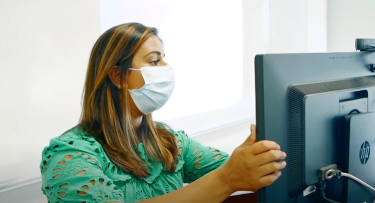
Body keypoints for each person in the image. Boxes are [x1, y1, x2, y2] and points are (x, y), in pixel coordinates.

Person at [40, 22, 287, 203]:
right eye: (155, 61)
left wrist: (252, 158)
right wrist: (226, 180)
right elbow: (226, 177)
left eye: (164, 59)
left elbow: (231, 169)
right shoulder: (70, 155)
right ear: (118, 76)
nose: (167, 68)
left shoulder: (168, 140)